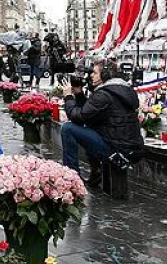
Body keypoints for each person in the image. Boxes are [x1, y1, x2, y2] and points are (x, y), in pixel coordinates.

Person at [60, 60, 144, 194]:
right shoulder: (123, 90)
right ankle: (95, 174)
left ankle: (71, 180)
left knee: (68, 129)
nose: (91, 76)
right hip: (128, 146)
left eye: (94, 73)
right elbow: (89, 115)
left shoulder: (103, 94)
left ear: (105, 75)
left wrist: (69, 97)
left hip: (116, 149)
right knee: (89, 129)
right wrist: (80, 94)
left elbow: (77, 116)